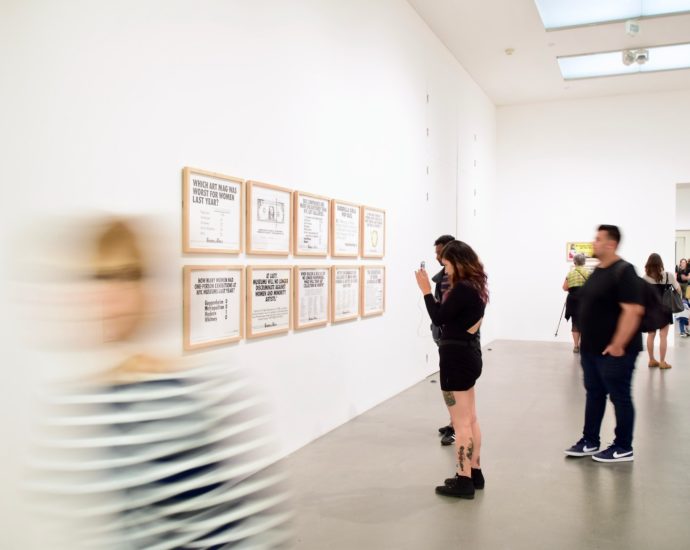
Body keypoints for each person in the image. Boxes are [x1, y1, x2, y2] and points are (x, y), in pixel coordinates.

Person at [565, 225, 644, 463]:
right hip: (592, 349)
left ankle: (623, 446)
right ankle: (590, 440)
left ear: (611, 244)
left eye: (597, 239)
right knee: (595, 394)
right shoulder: (598, 270)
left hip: (616, 351)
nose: (594, 243)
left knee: (619, 397)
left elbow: (633, 311)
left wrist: (618, 344)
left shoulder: (625, 271)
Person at [415, 240, 488, 499]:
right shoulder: (477, 287)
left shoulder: (462, 290)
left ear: (457, 262)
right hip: (469, 355)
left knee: (460, 423)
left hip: (455, 359)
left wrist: (425, 290)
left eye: (446, 265)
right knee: (471, 418)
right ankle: (474, 471)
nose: (445, 271)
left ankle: (463, 479)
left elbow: (438, 317)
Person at [431, 234, 456, 446]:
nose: (437, 257)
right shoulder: (444, 277)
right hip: (446, 339)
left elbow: (441, 313)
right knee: (447, 384)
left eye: (440, 253)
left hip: (456, 343)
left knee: (454, 386)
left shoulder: (461, 282)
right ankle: (454, 421)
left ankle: (457, 425)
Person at [643, 253, 681, 369]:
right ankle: (662, 362)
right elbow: (678, 290)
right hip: (665, 309)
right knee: (663, 336)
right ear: (661, 264)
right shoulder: (669, 276)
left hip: (650, 310)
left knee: (651, 335)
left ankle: (651, 360)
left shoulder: (645, 278)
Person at [563, 253, 589, 353]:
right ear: (584, 262)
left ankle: (576, 346)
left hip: (573, 300)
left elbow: (564, 288)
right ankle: (584, 346)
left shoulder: (570, 274)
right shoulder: (588, 273)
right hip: (585, 301)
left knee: (575, 323)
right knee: (586, 322)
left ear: (574, 262)